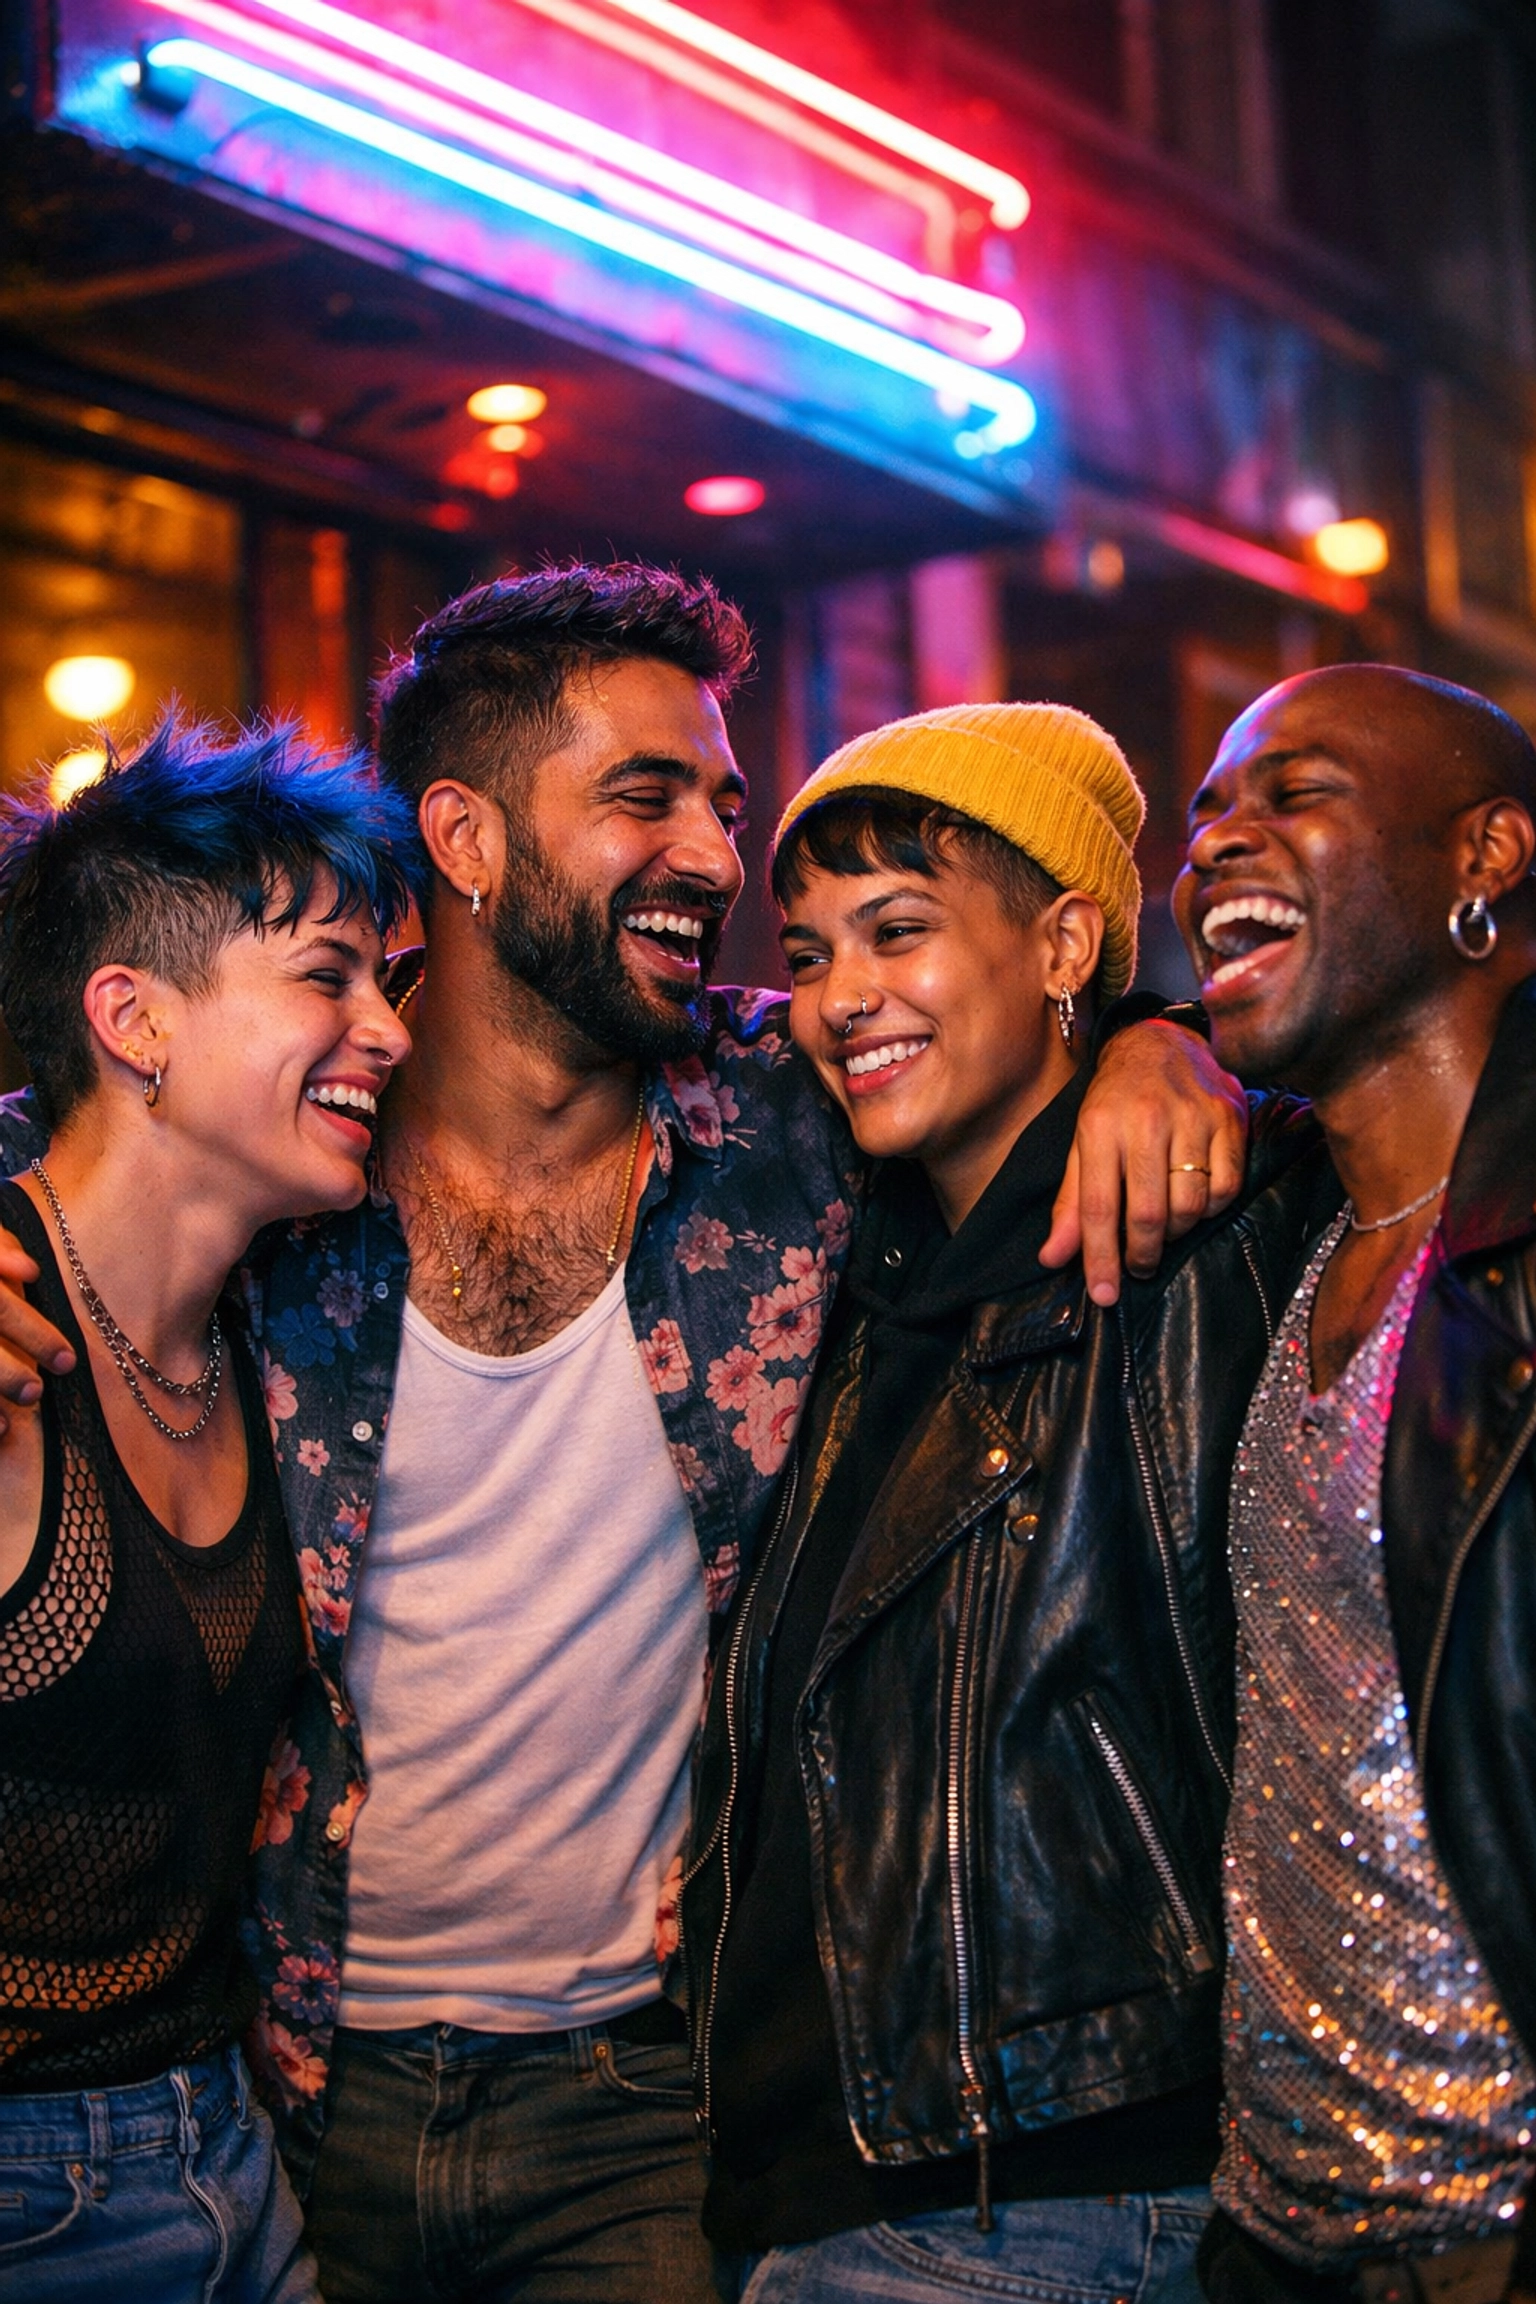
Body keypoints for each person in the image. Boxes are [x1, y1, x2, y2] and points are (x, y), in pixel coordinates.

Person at [0, 566, 1245, 2303]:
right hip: (294, 2086)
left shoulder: (794, 1125)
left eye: (725, 808)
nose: (724, 863)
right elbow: (76, 1138)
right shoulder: (283, 1146)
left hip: (646, 2102)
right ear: (471, 835)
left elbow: (995, 1040)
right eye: (647, 798)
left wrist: (1156, 1042)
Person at [682, 703, 1333, 2304]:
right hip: (828, 2179)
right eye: (814, 950)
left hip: (1045, 2192)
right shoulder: (859, 1261)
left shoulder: (1205, 1234)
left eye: (898, 932)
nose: (842, 999)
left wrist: (1174, 1039)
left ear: (1062, 943)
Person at [0, 715, 416, 2299]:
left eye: (385, 983)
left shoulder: (273, 1329)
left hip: (228, 2150)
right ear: (135, 1019)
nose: (384, 1031)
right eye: (326, 976)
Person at [1169, 664, 1536, 2304]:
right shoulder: (1273, 1240)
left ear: (1488, 859)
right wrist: (1150, 1046)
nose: (1218, 839)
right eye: (1205, 814)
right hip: (1270, 2229)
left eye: (1290, 792)